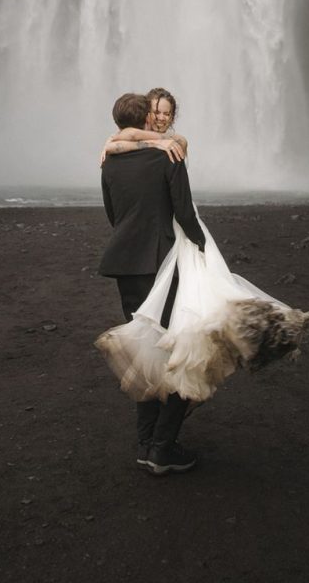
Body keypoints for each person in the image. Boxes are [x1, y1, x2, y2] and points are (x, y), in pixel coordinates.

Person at [99, 92, 205, 475]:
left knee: (146, 353)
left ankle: (146, 444)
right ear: (147, 118)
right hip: (162, 263)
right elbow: (183, 211)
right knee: (183, 349)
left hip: (126, 264)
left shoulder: (109, 160)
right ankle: (162, 447)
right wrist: (204, 249)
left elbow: (114, 214)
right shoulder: (167, 156)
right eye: (154, 112)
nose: (159, 119)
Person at [100, 87, 187, 164]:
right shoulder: (133, 136)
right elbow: (128, 136)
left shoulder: (174, 140)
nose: (161, 118)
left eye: (167, 114)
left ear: (172, 117)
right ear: (147, 114)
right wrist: (156, 143)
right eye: (156, 112)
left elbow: (183, 141)